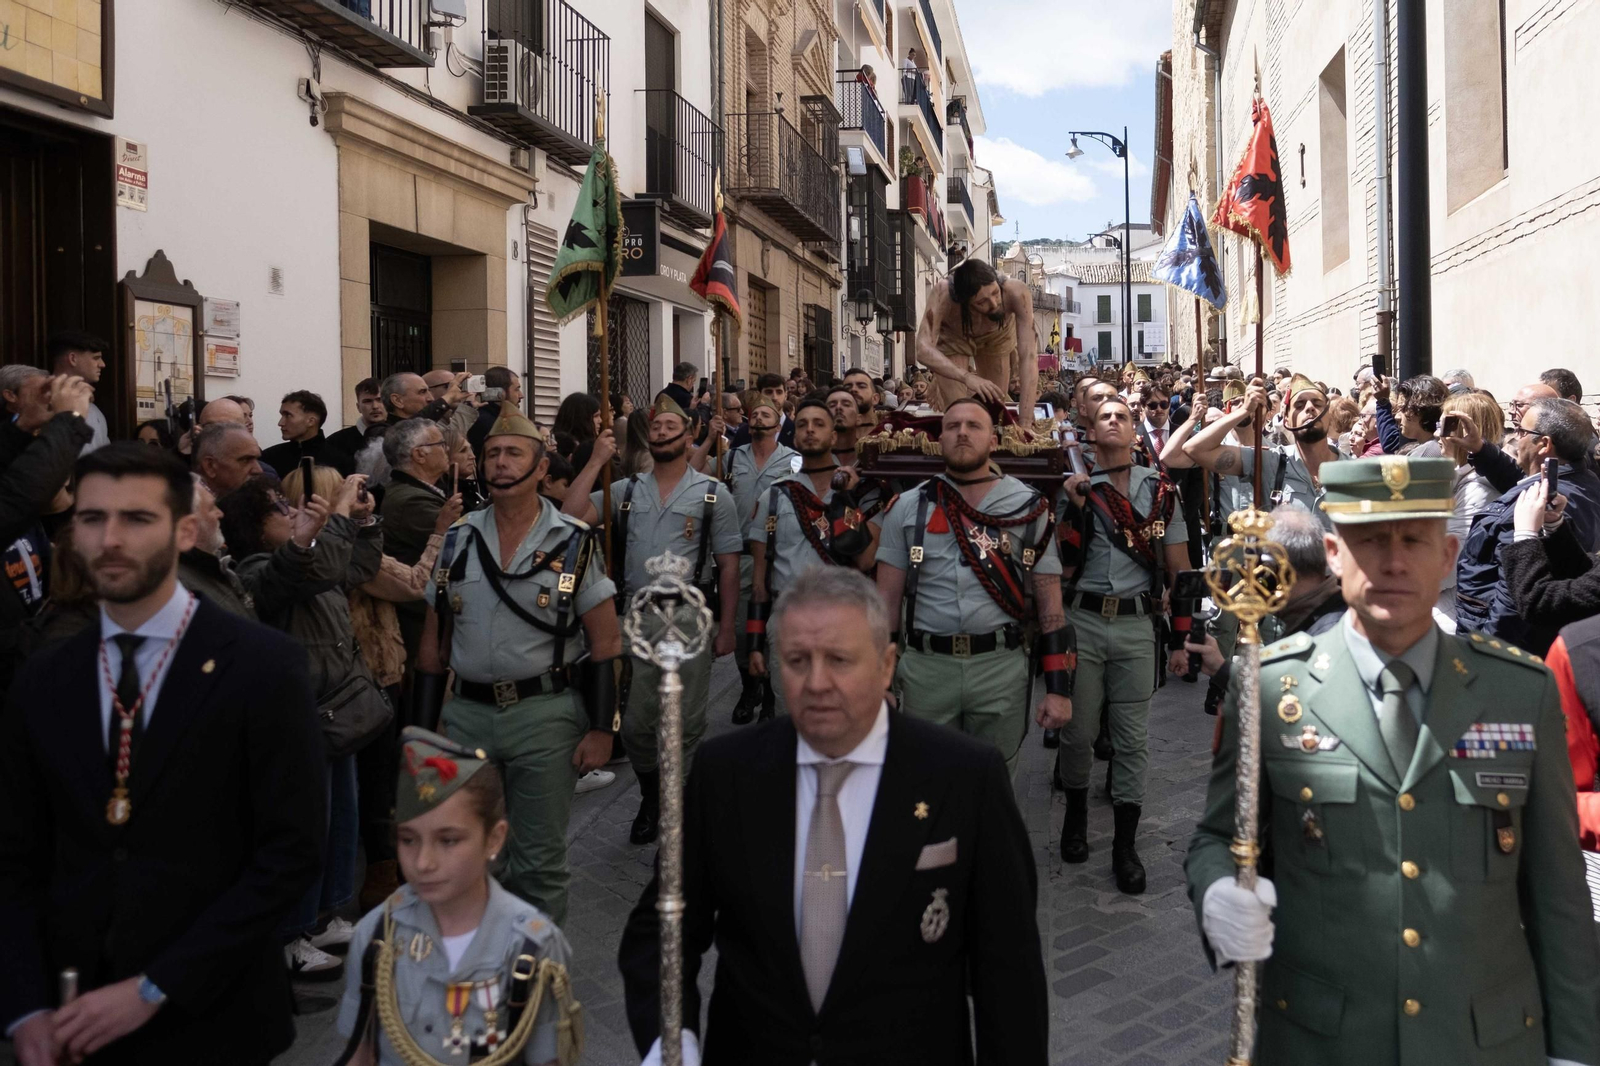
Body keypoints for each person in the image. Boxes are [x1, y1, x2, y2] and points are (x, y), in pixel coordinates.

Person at [1185, 456, 1600, 1065]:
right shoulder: (1270, 687)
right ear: (1332, 553)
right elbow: (1220, 835)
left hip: (1483, 1043)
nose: (1394, 561)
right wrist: (1216, 889)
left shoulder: (1521, 691)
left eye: (1414, 540)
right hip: (1321, 1040)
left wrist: (1575, 1050)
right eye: (1370, 540)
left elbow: (1558, 894)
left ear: (1450, 554)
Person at [618, 566, 1049, 1065]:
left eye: (839, 660)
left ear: (887, 666)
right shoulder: (726, 774)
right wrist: (674, 1047)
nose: (816, 683)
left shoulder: (964, 777)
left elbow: (1009, 972)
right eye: (798, 661)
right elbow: (661, 933)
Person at [0, 444, 324, 1066]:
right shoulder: (45, 675)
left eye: (136, 519)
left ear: (183, 532)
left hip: (214, 1018)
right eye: (92, 519)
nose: (110, 539)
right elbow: (15, 855)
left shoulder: (260, 666)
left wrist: (158, 985)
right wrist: (25, 1006)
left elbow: (290, 852)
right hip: (71, 1021)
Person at [419, 405, 620, 923]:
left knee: (538, 863)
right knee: (471, 856)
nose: (501, 463)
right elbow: (433, 644)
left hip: (544, 717)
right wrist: (421, 731)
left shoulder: (573, 541)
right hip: (467, 718)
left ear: (539, 468)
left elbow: (605, 641)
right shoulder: (459, 540)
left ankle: (537, 979)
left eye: (514, 454)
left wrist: (602, 728)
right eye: (492, 455)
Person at [336, 728, 581, 1066]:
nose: (423, 862)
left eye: (448, 840)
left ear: (494, 839)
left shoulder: (532, 946)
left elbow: (549, 1059)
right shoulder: (376, 935)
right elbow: (360, 1054)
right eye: (408, 840)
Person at [222, 469, 384, 977]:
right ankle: (292, 932)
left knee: (341, 817)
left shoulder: (305, 556)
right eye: (279, 509)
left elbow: (353, 567)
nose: (291, 511)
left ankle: (325, 914)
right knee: (307, 825)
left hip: (337, 706)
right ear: (253, 526)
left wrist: (362, 521)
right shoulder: (254, 570)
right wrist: (332, 518)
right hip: (303, 714)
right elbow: (306, 571)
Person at [875, 399, 1069, 777]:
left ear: (994, 440)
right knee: (926, 788)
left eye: (974, 426)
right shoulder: (908, 507)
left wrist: (1058, 688)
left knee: (995, 786)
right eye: (952, 426)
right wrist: (880, 681)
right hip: (926, 671)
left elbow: (1050, 604)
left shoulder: (1028, 505)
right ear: (939, 439)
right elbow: (885, 603)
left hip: (999, 669)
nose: (962, 432)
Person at [585, 396, 739, 845]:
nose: (661, 431)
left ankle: (676, 813)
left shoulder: (713, 493)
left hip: (688, 617)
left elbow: (729, 564)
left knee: (684, 726)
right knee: (634, 727)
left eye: (672, 425)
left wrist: (727, 626)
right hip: (635, 617)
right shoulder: (627, 490)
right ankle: (651, 795)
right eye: (655, 426)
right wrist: (597, 460)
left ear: (689, 435)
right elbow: (573, 513)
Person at [1054, 394, 1189, 893]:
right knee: (1078, 731)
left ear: (1135, 432)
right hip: (1083, 620)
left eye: (1122, 416)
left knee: (1132, 740)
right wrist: (1071, 508)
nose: (1113, 421)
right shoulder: (1075, 485)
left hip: (1136, 625)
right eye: (1104, 415)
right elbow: (1058, 567)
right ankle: (1073, 814)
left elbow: (1180, 569)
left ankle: (1125, 845)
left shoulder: (1160, 492)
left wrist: (1181, 639)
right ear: (1090, 429)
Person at [749, 397, 881, 720]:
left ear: (834, 437)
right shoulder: (774, 496)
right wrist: (754, 643)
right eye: (803, 424)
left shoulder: (858, 492)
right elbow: (759, 580)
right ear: (794, 438)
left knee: (845, 715)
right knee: (792, 718)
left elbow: (863, 561)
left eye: (819, 424)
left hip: (844, 618)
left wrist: (846, 497)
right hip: (790, 618)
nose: (810, 430)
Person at [1453, 397, 1600, 653]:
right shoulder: (1574, 481)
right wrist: (1480, 449)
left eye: (1521, 430)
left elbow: (1521, 602)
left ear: (1544, 444)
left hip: (1493, 651)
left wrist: (1483, 655)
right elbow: (1521, 482)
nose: (1515, 436)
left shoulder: (1550, 501)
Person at [725, 394, 799, 723]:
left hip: (778, 553)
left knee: (772, 630)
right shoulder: (729, 457)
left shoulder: (793, 460)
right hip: (740, 553)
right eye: (753, 414)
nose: (756, 419)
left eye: (765, 414)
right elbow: (697, 475)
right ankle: (749, 686)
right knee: (743, 630)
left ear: (778, 422)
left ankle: (770, 695)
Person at [1185, 375, 1341, 530]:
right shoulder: (1271, 460)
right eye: (1299, 405)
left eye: (1318, 403)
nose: (1310, 408)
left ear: (1329, 415)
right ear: (1285, 418)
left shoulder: (1353, 469)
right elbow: (1194, 449)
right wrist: (1244, 410)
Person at [913, 260, 1040, 424]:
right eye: (982, 302)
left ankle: (943, 375)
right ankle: (943, 375)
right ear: (965, 302)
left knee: (994, 407)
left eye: (995, 293)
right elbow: (922, 349)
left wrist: (1026, 422)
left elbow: (1029, 357)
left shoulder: (1016, 292)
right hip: (954, 334)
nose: (994, 304)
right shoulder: (943, 293)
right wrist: (966, 377)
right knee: (958, 413)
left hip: (997, 334)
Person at [177, 477, 256, 620]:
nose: (220, 513)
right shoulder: (184, 587)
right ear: (190, 523)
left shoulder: (214, 568)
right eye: (212, 507)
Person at [261, 389, 356, 477]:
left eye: (288, 415)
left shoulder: (340, 462)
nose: (280, 423)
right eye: (282, 415)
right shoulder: (268, 458)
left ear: (311, 421)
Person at [46, 329, 112, 453]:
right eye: (96, 358)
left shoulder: (95, 412)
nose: (102, 364)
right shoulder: (40, 403)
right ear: (73, 359)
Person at [1375, 374, 1448, 457]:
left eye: (1403, 409)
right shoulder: (1438, 448)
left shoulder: (1425, 453)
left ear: (1421, 409)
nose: (1397, 417)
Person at [193, 421, 263, 498]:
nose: (258, 470)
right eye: (245, 460)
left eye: (257, 459)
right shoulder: (186, 507)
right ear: (210, 466)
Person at [327, 377, 389, 459]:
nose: (375, 406)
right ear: (358, 407)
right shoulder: (336, 442)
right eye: (367, 401)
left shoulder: (402, 437)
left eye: (379, 400)